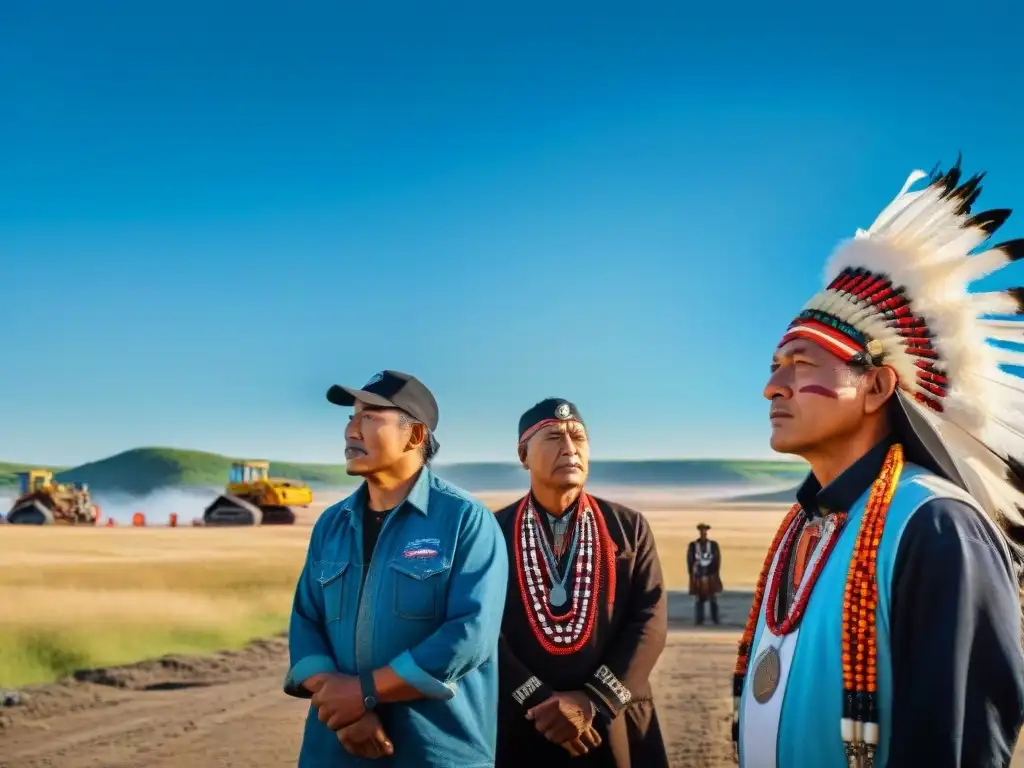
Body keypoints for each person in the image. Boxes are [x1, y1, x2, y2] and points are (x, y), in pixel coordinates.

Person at [734, 160, 1024, 767]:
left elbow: (959, 743)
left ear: (877, 386)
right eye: (772, 367)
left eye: (801, 365)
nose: (773, 388)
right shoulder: (813, 520)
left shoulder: (939, 527)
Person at [284, 370, 509, 767]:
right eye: (351, 417)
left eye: (370, 416)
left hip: (435, 751)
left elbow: (469, 635)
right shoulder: (331, 523)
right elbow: (306, 619)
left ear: (415, 436)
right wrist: (344, 710)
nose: (351, 430)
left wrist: (363, 692)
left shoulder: (465, 520)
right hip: (333, 750)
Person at [494, 397, 670, 768]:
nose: (570, 448)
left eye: (578, 437)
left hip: (611, 714)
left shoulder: (628, 527)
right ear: (523, 454)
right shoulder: (493, 532)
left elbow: (649, 620)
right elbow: (481, 628)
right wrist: (537, 699)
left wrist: (593, 701)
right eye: (554, 437)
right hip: (525, 717)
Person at [687, 523, 722, 625]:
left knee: (713, 598)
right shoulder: (693, 546)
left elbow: (717, 560)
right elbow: (690, 561)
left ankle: (715, 619)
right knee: (699, 598)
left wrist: (715, 574)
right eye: (702, 531)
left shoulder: (713, 545)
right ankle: (699, 619)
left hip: (710, 574)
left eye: (705, 531)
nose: (704, 533)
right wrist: (692, 575)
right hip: (698, 575)